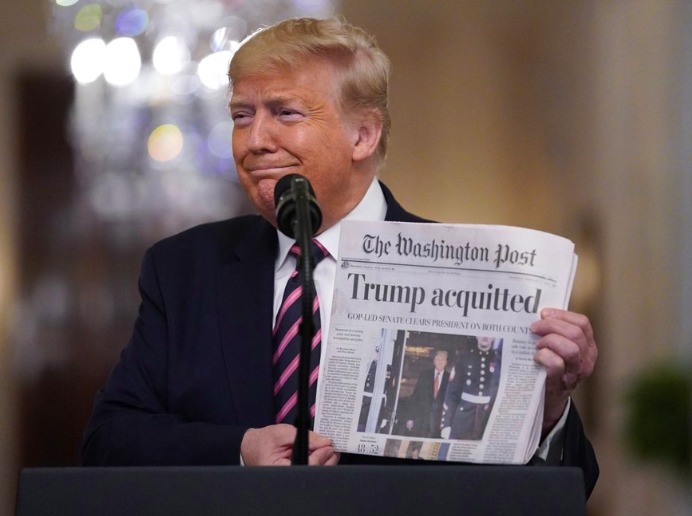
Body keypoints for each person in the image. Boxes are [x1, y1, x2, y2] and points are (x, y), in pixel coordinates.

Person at [81, 17, 599, 497]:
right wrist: (238, 450)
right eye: (242, 115)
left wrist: (548, 407)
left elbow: (566, 487)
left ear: (363, 135)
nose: (255, 140)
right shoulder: (183, 270)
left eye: (285, 113)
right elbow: (109, 441)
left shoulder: (471, 272)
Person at [441, 338, 501, 440]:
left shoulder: (498, 360)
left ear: (494, 337)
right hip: (464, 417)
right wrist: (446, 424)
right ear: (476, 335)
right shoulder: (464, 358)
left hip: (487, 419)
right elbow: (452, 394)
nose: (485, 336)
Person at [405, 350, 450, 438]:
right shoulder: (424, 375)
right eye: (438, 359)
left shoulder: (450, 379)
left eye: (442, 360)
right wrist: (410, 418)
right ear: (434, 361)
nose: (440, 362)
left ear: (446, 363)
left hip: (439, 425)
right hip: (421, 422)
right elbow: (415, 397)